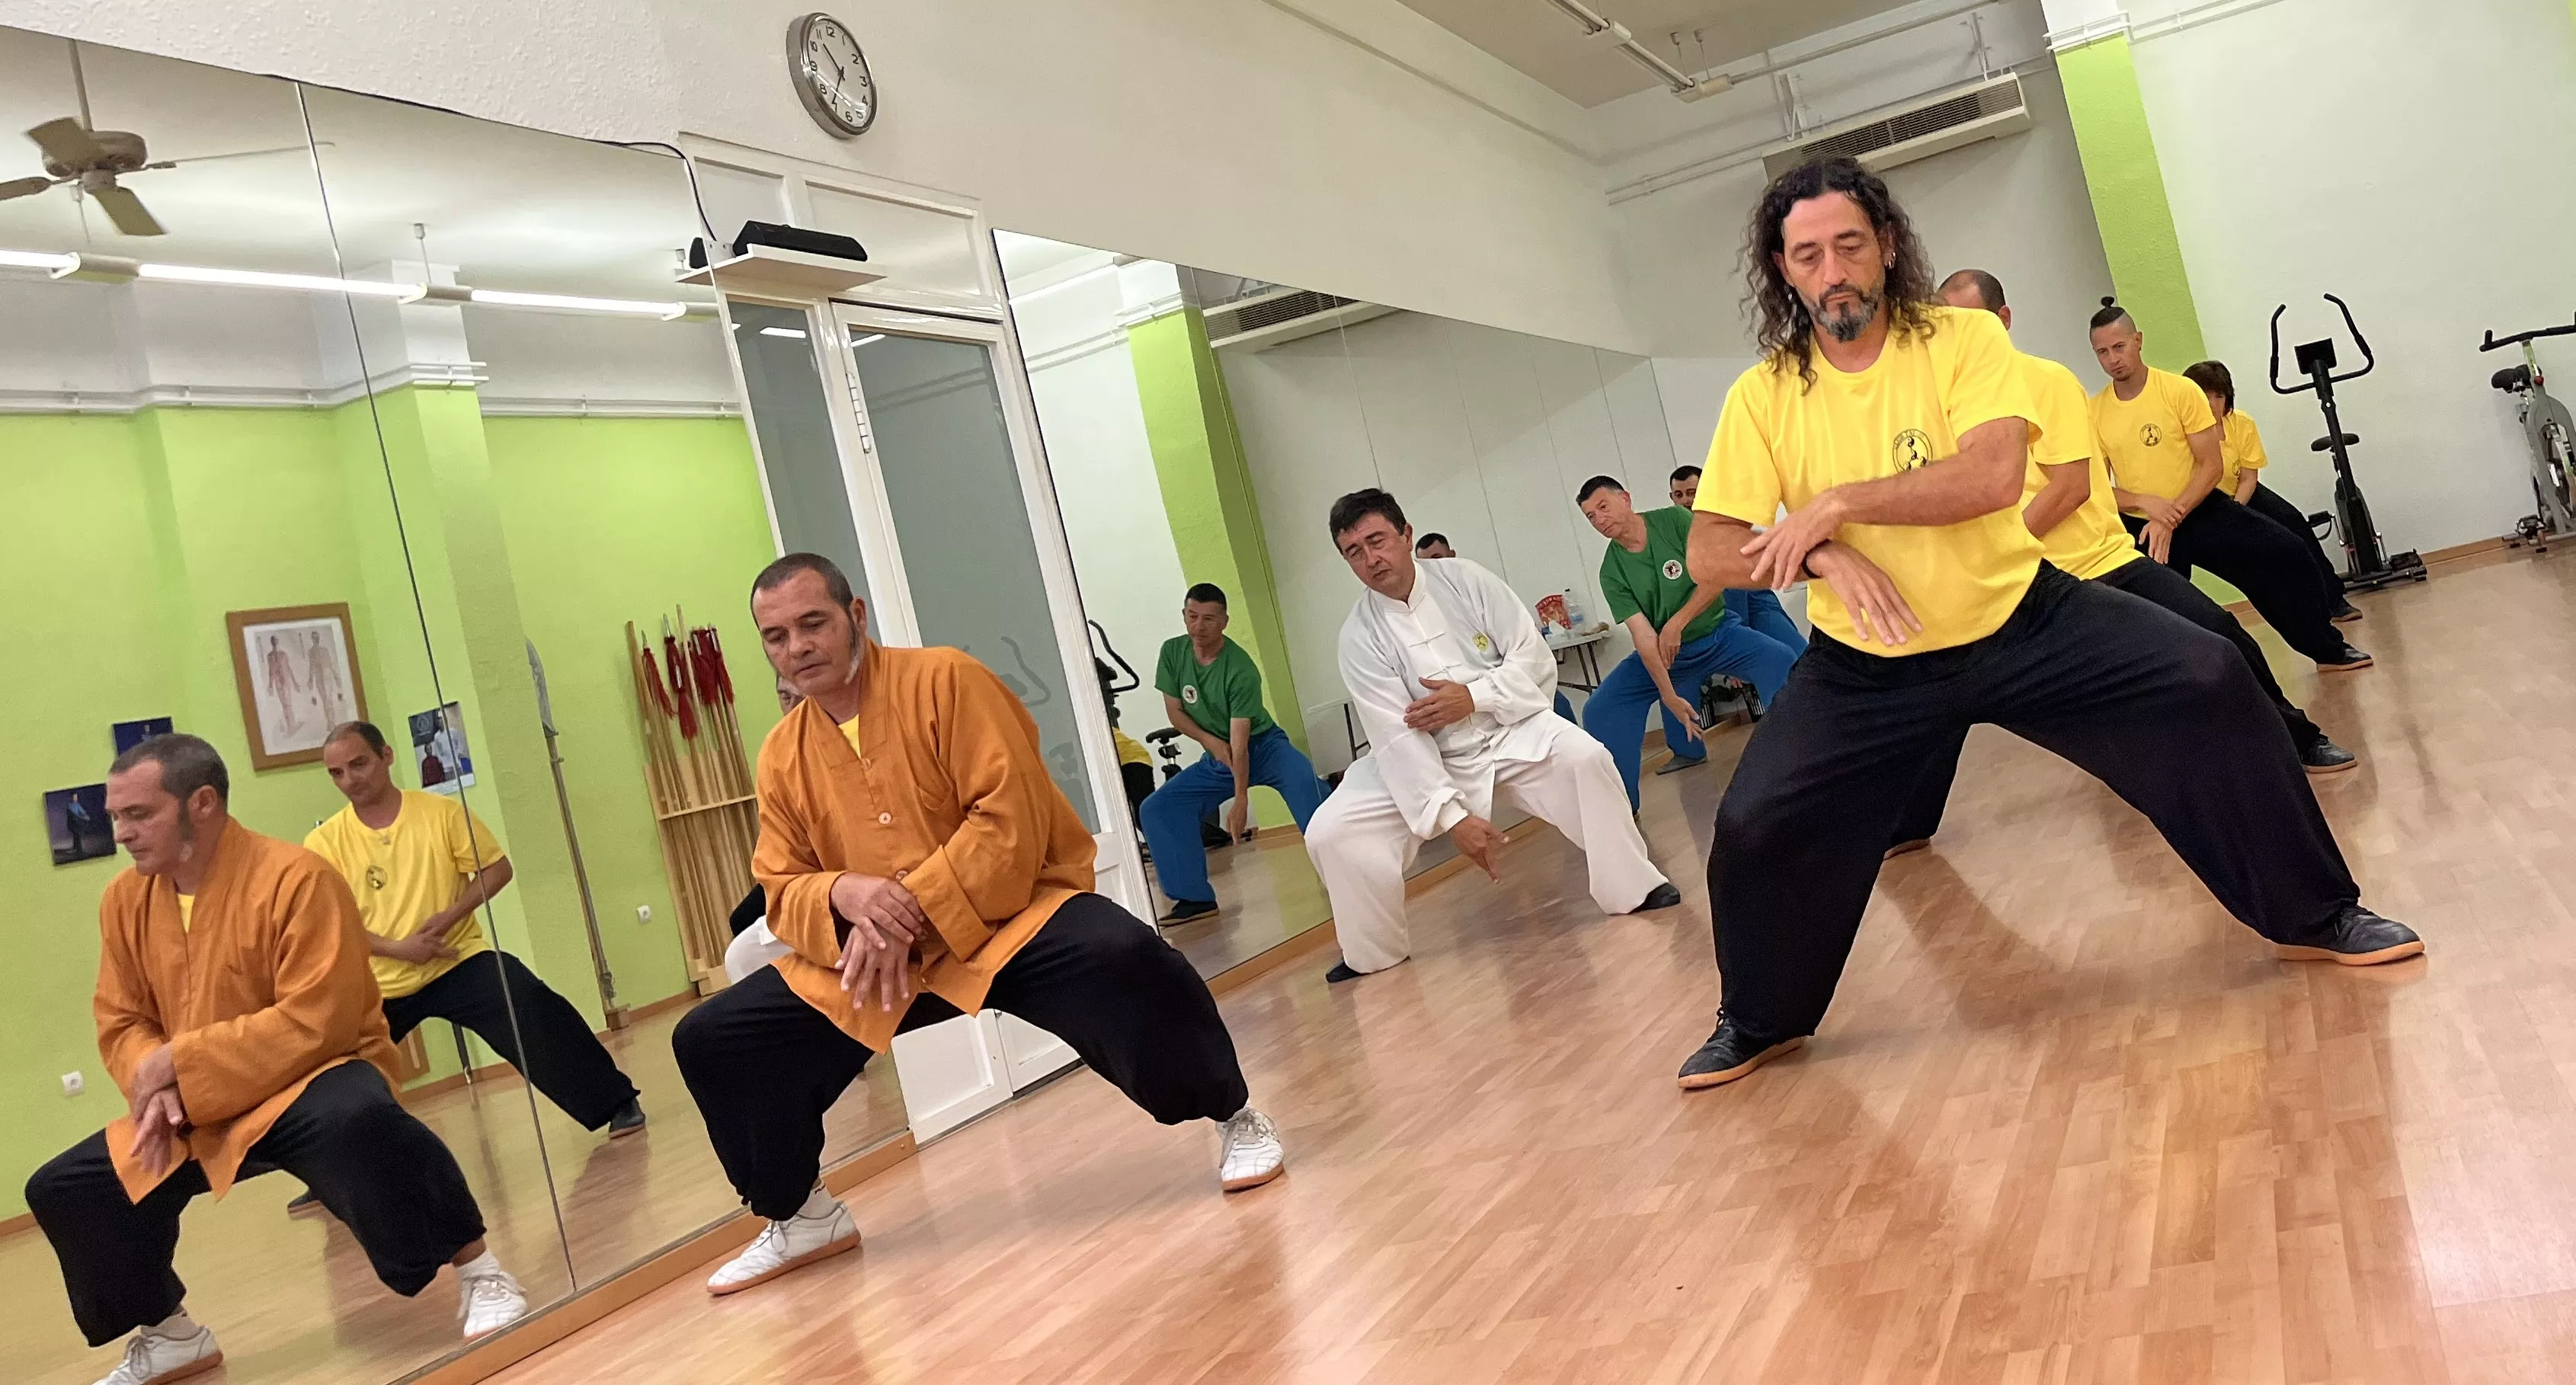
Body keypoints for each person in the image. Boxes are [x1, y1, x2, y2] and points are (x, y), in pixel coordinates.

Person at [1672, 159, 2422, 1092]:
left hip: (2021, 620)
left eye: (1851, 246)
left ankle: (2318, 916)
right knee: (1752, 823)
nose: (1834, 272)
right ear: (1785, 271)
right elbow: (1710, 546)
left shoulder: (1962, 340)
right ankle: (1758, 1021)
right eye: (1810, 254)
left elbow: (1989, 478)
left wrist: (1832, 505)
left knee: (2210, 676)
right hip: (1870, 667)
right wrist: (1821, 551)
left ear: (1889, 248)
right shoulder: (1766, 393)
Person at [675, 555, 1283, 1297]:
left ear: (856, 617)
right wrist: (844, 893)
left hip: (1007, 921)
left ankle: (1234, 1113)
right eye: (775, 637)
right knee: (715, 1039)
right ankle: (801, 1216)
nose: (796, 647)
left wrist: (907, 907)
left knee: (1124, 953)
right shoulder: (781, 754)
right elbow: (780, 883)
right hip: (878, 961)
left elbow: (1008, 821)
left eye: (813, 623)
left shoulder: (947, 681)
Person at [26, 735, 526, 1385]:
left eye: (138, 814)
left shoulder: (297, 877)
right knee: (69, 1186)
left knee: (359, 1119)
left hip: (306, 1076)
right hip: (197, 1101)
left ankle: (480, 1272)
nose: (121, 832)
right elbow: (121, 1020)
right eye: (115, 815)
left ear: (201, 803)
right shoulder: (125, 899)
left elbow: (318, 1016)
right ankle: (170, 1333)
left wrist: (179, 1062)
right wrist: (160, 1080)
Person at [1885, 271, 2362, 853]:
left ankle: (2297, 737)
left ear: (2002, 322)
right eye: (1946, 322)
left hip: (2096, 563)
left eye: (1971, 320)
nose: (1956, 335)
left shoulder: (2045, 382)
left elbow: (2072, 489)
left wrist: (2001, 544)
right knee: (1934, 678)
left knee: (2216, 635)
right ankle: (1906, 822)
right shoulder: (1933, 406)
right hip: (2007, 582)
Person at [1305, 490, 1682, 983]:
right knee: (1331, 831)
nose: (1371, 558)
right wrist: (1451, 815)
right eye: (1354, 551)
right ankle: (1370, 953)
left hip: (1506, 728)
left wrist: (1474, 696)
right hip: (1427, 757)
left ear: (1405, 535)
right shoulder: (1358, 635)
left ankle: (1634, 888)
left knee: (1585, 758)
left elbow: (1533, 658)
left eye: (1377, 540)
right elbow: (1394, 737)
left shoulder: (1466, 580)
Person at [303, 722, 645, 1155]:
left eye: (359, 764)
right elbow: (329, 922)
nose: (351, 780)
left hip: (456, 958)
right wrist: (398, 949)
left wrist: (449, 917)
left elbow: (497, 869)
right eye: (337, 773)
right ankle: (327, 1162)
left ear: (387, 756)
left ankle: (616, 1102)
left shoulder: (440, 814)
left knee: (529, 1001)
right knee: (326, 1059)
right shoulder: (323, 842)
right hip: (381, 979)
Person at [2089, 299, 2372, 672]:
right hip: (2145, 529)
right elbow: (2096, 488)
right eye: (2102, 352)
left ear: (2138, 341)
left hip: (2198, 509)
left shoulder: (2180, 391)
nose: (2113, 359)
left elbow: (2211, 466)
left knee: (2288, 552)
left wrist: (2170, 516)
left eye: (2119, 347)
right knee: (2164, 614)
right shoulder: (2094, 412)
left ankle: (2327, 649)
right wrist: (2144, 502)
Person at [1576, 476, 1802, 807]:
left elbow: (1716, 576)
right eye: (1591, 516)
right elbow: (1642, 635)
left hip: (1718, 634)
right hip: (1669, 656)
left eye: (1603, 507)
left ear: (1625, 498)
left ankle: (1798, 763)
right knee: (1601, 709)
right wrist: (1668, 695)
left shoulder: (1675, 521)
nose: (1599, 519)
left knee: (1783, 660)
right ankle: (1621, 808)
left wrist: (1676, 623)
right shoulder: (1611, 572)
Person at [1140, 584, 1333, 924]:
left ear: (1225, 621)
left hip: (1264, 747)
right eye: (1192, 616)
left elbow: (1240, 746)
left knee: (1312, 796)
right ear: (1184, 615)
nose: (1199, 627)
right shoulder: (1172, 652)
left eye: (1209, 619)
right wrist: (1210, 743)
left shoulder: (1240, 668)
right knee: (1160, 808)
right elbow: (1175, 712)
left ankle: (1348, 869)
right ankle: (1194, 898)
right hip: (1219, 754)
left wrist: (1241, 800)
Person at [2183, 359, 2363, 624]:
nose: (2212, 404)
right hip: (2204, 500)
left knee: (2294, 524)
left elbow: (2248, 478)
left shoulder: (2241, 423)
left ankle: (2333, 600)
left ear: (2228, 397)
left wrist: (2236, 512)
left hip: (2240, 492)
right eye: (2203, 396)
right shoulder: (2182, 432)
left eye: (2218, 396)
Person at [1671, 464, 1809, 653]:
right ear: (1672, 498)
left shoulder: (1723, 525)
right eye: (1679, 495)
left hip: (1754, 601)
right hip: (1711, 617)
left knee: (1797, 655)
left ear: (1705, 491)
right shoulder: (1671, 535)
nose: (1685, 500)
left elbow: (1735, 588)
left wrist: (1740, 642)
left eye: (1691, 492)